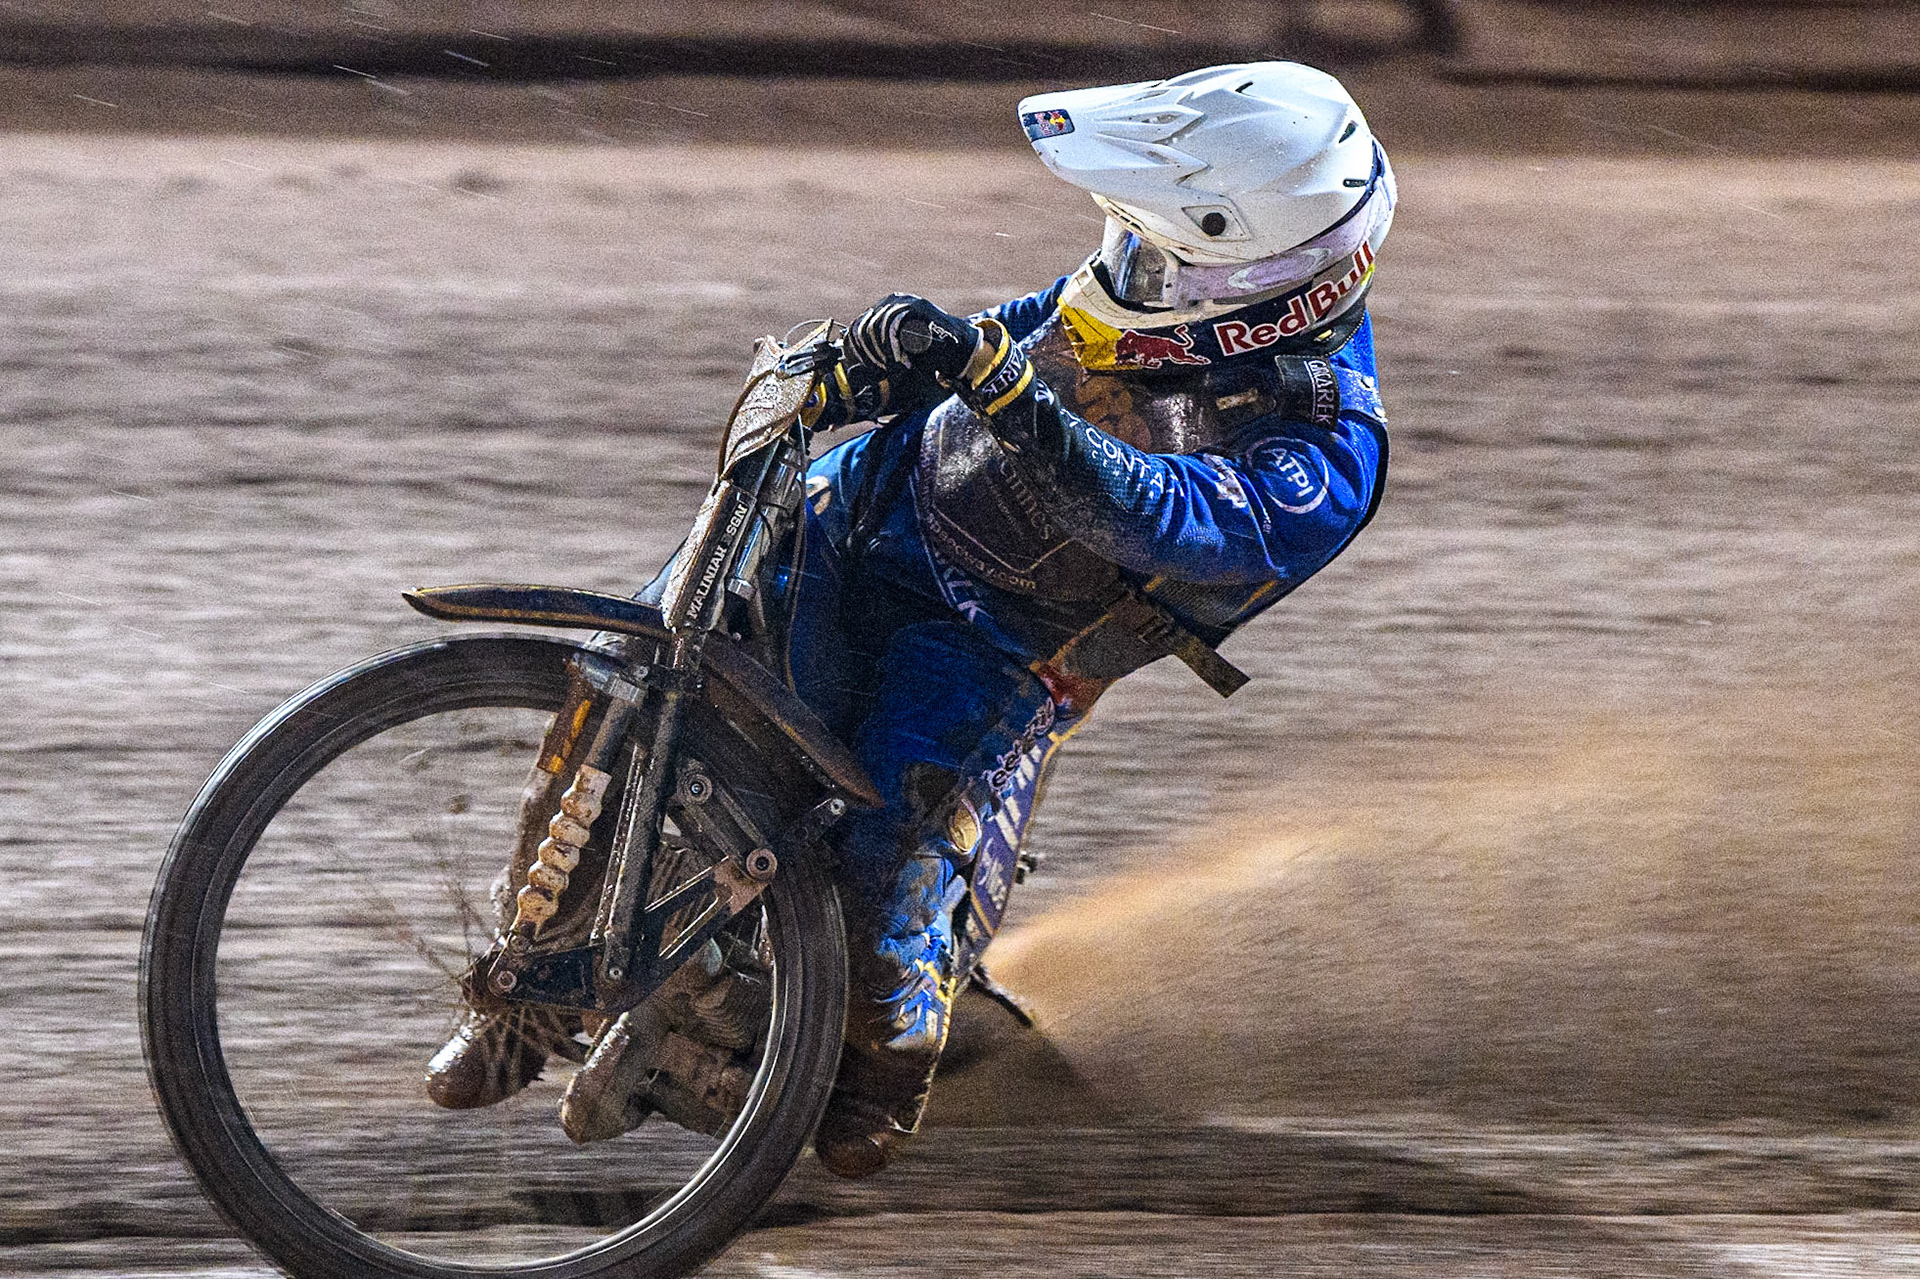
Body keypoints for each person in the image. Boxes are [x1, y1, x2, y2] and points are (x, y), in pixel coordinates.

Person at [425, 60, 1393, 1180]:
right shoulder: (1164, 300)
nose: (1128, 266)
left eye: (1158, 253)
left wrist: (1006, 395)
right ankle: (535, 980)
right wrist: (873, 366)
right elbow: (1023, 334)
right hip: (861, 512)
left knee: (874, 903)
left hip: (993, 649)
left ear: (1261, 287)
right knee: (623, 673)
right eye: (1131, 238)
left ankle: (855, 1091)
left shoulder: (1325, 454)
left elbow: (1155, 514)